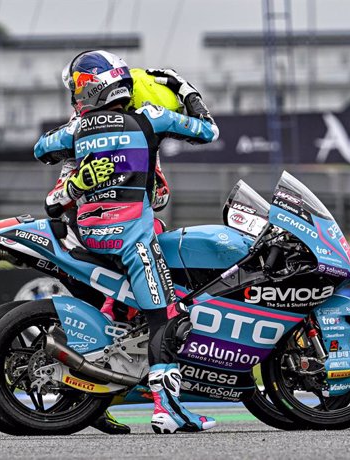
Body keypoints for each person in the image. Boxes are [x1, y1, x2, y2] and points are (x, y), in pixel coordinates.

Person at [36, 50, 219, 434]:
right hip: (132, 238)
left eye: (79, 88)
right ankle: (168, 410)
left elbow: (41, 150)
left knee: (118, 310)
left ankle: (93, 395)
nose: (76, 96)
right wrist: (185, 91)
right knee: (166, 318)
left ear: (95, 87)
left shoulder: (76, 128)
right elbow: (208, 131)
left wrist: (75, 176)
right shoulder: (150, 118)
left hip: (88, 237)